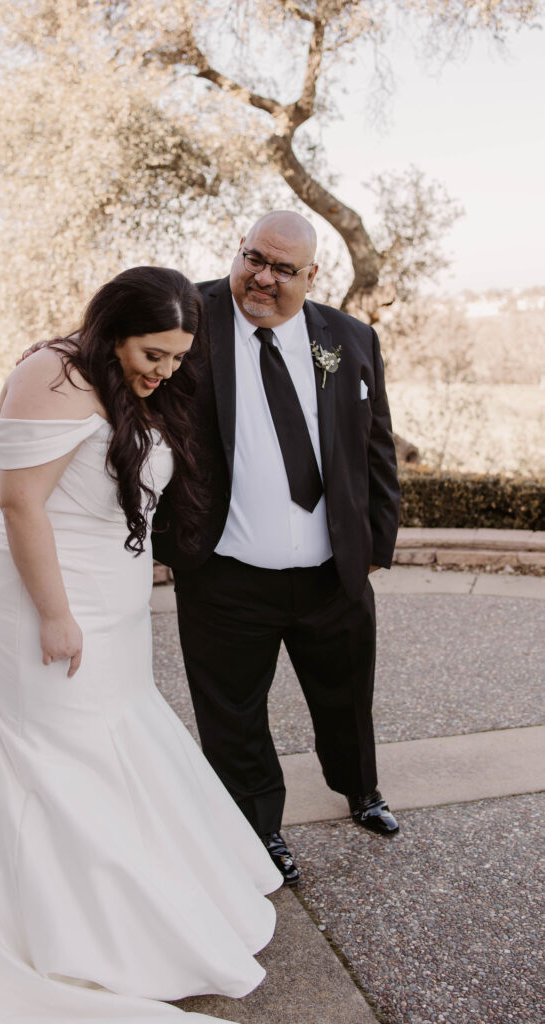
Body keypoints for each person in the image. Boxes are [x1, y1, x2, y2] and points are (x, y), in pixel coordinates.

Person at [0, 266, 282, 1024]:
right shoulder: (52, 374)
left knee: (109, 737)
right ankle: (34, 927)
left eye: (178, 358)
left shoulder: (129, 386)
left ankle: (120, 912)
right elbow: (20, 505)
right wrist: (54, 614)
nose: (164, 371)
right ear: (112, 328)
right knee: (49, 748)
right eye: (152, 353)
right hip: (41, 594)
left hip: (110, 598)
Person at [153, 212, 401, 887]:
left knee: (347, 696)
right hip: (224, 573)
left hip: (333, 572)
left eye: (281, 268)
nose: (261, 277)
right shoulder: (188, 317)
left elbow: (374, 445)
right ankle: (258, 831)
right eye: (251, 258)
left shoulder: (349, 339)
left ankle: (360, 790)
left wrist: (376, 540)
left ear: (311, 276)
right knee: (232, 716)